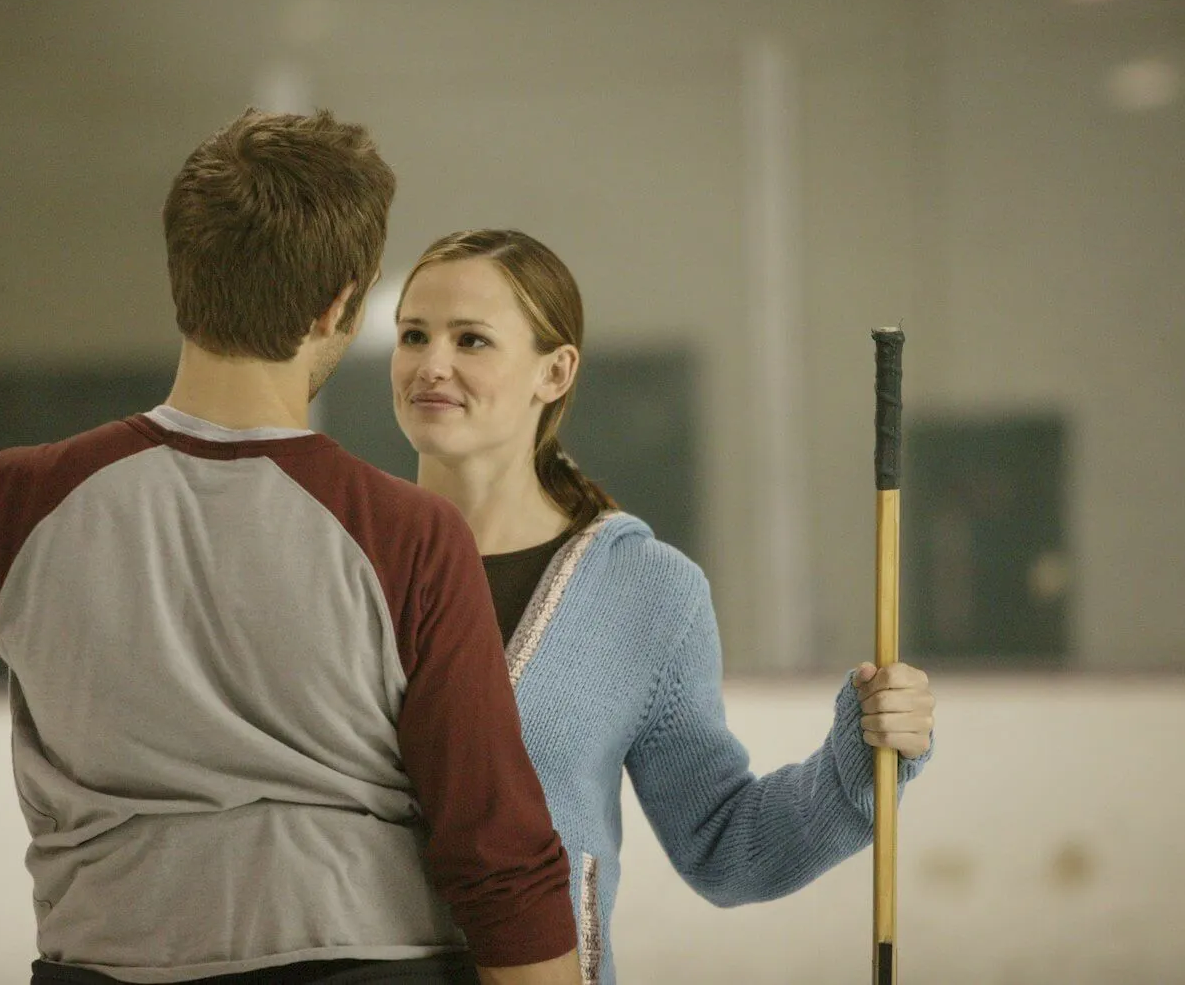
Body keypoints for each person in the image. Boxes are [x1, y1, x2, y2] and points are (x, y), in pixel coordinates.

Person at [0, 114, 583, 985]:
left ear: (185, 273)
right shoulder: (407, 534)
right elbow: (498, 856)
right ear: (339, 305)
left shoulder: (15, 504)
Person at [389, 229, 937, 985]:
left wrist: (861, 764)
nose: (430, 365)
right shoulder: (340, 558)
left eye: (471, 339)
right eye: (412, 334)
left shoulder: (646, 593)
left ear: (555, 371)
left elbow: (723, 846)